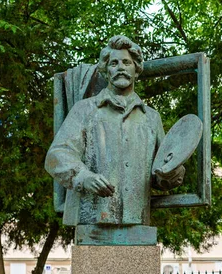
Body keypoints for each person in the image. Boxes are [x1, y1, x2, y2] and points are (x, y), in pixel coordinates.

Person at [45, 36, 184, 242]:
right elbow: (57, 156)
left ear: (136, 69)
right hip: (93, 222)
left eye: (127, 62)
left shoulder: (151, 118)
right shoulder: (85, 110)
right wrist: (84, 177)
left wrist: (172, 172)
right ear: (105, 70)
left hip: (137, 222)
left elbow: (159, 172)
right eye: (114, 63)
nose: (121, 68)